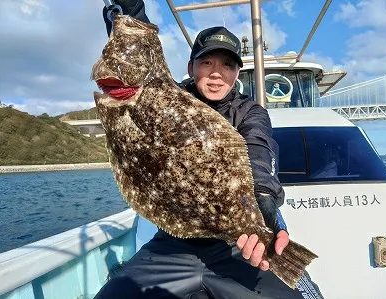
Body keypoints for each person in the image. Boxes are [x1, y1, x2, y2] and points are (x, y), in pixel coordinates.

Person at [95, 1, 323, 298]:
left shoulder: (249, 112)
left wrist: (264, 199)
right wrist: (128, 10)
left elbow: (259, 150)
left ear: (236, 73)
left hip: (238, 242)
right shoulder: (166, 100)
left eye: (227, 65)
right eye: (207, 63)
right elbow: (143, 56)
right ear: (191, 67)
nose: (217, 73)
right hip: (174, 242)